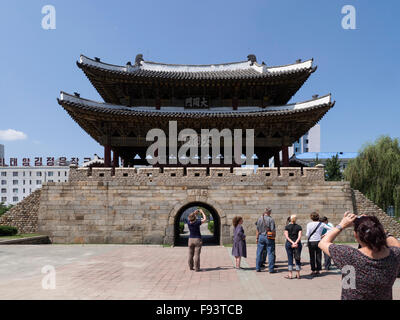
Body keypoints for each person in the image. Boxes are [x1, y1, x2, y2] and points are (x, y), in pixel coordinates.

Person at [319, 212, 400, 300]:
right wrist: (375, 226)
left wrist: (342, 225)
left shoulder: (349, 255)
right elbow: (395, 244)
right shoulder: (394, 254)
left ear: (356, 235)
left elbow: (323, 243)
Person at [255, 208, 276, 273]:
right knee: (270, 252)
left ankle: (258, 268)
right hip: (268, 237)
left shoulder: (259, 219)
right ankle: (271, 269)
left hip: (261, 236)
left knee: (259, 252)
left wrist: (257, 238)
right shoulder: (271, 219)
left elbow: (257, 229)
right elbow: (273, 230)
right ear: (269, 212)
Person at [284, 214, 303, 279]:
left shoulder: (287, 227)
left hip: (289, 244)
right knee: (297, 258)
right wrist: (296, 242)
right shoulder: (299, 227)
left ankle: (290, 274)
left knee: (290, 258)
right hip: (297, 244)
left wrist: (292, 242)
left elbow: (286, 236)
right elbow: (299, 236)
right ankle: (298, 274)